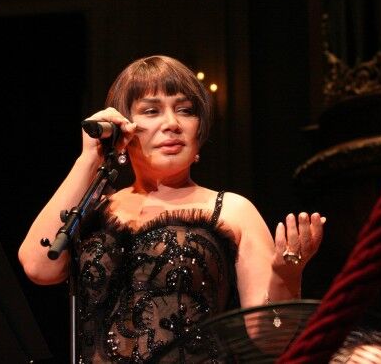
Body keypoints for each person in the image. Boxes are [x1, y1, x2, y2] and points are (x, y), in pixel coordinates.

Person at [18, 55, 325, 362]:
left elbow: (271, 340)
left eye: (186, 111)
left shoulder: (232, 210)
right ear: (123, 127)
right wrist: (90, 158)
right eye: (151, 111)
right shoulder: (94, 208)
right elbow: (39, 266)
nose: (172, 124)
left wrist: (286, 275)